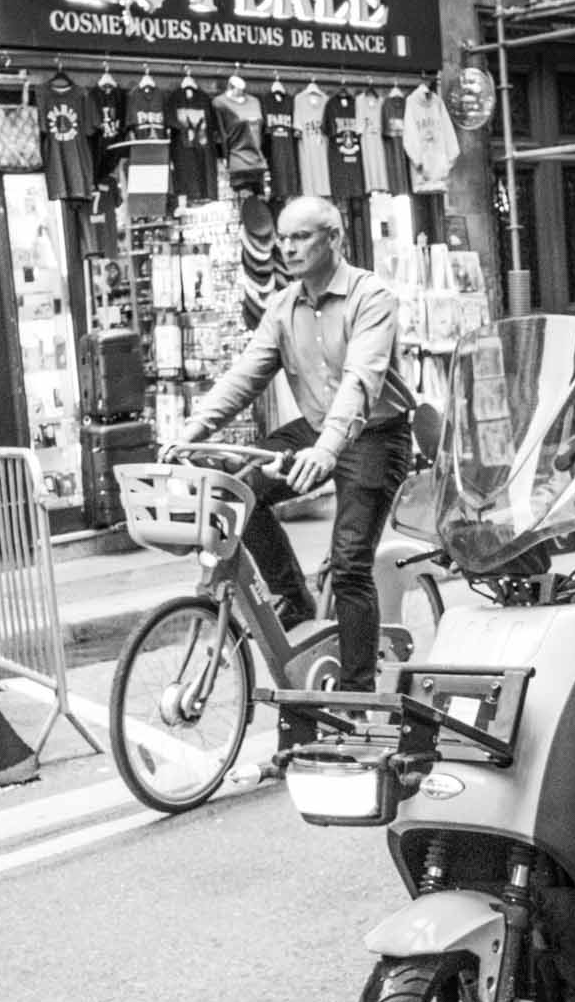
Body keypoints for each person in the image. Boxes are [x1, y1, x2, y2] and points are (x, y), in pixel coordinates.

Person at [168, 195, 416, 692]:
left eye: (301, 237)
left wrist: (327, 449)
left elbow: (361, 380)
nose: (288, 247)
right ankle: (295, 600)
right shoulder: (283, 306)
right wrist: (193, 430)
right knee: (238, 491)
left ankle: (357, 694)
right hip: (317, 428)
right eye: (283, 238)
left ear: (334, 238)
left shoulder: (371, 297)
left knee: (349, 563)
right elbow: (246, 374)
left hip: (375, 435)